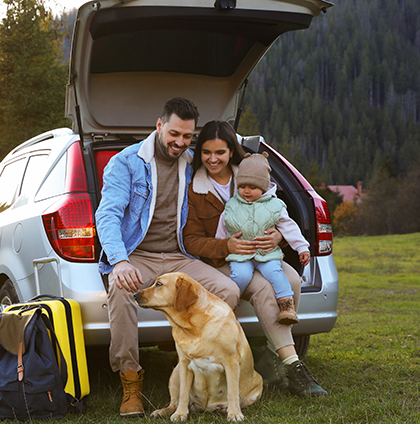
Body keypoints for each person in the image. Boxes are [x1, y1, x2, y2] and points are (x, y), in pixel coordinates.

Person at [96, 98, 251, 418]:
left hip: (180, 255)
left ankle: (206, 367)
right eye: (174, 134)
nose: (180, 142)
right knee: (122, 288)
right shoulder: (126, 162)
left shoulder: (193, 161)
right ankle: (131, 384)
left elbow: (232, 170)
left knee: (228, 291)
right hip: (137, 253)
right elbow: (108, 215)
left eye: (187, 136)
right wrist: (120, 260)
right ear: (159, 126)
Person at [183, 120, 327, 398]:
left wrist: (278, 239)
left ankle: (272, 360)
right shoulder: (194, 189)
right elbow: (190, 240)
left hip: (262, 253)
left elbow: (279, 216)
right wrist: (226, 245)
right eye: (206, 152)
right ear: (199, 152)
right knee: (264, 290)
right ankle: (292, 365)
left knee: (293, 279)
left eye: (221, 152)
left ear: (231, 152)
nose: (213, 159)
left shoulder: (252, 174)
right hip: (223, 261)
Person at [216, 152, 311, 325]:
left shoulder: (275, 206)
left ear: (264, 187)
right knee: (241, 276)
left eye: (252, 187)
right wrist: (220, 249)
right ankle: (231, 305)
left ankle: (287, 306)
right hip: (241, 255)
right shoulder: (231, 206)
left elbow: (289, 228)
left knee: (275, 273)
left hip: (267, 254)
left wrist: (302, 247)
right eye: (242, 186)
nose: (246, 191)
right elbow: (222, 230)